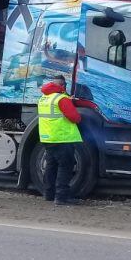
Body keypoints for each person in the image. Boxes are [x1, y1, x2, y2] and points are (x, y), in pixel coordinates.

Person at [37, 74, 82, 205]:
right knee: (65, 167)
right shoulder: (62, 99)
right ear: (62, 86)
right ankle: (61, 198)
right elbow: (75, 117)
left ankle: (48, 194)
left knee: (51, 166)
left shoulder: (44, 98)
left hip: (48, 138)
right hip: (62, 138)